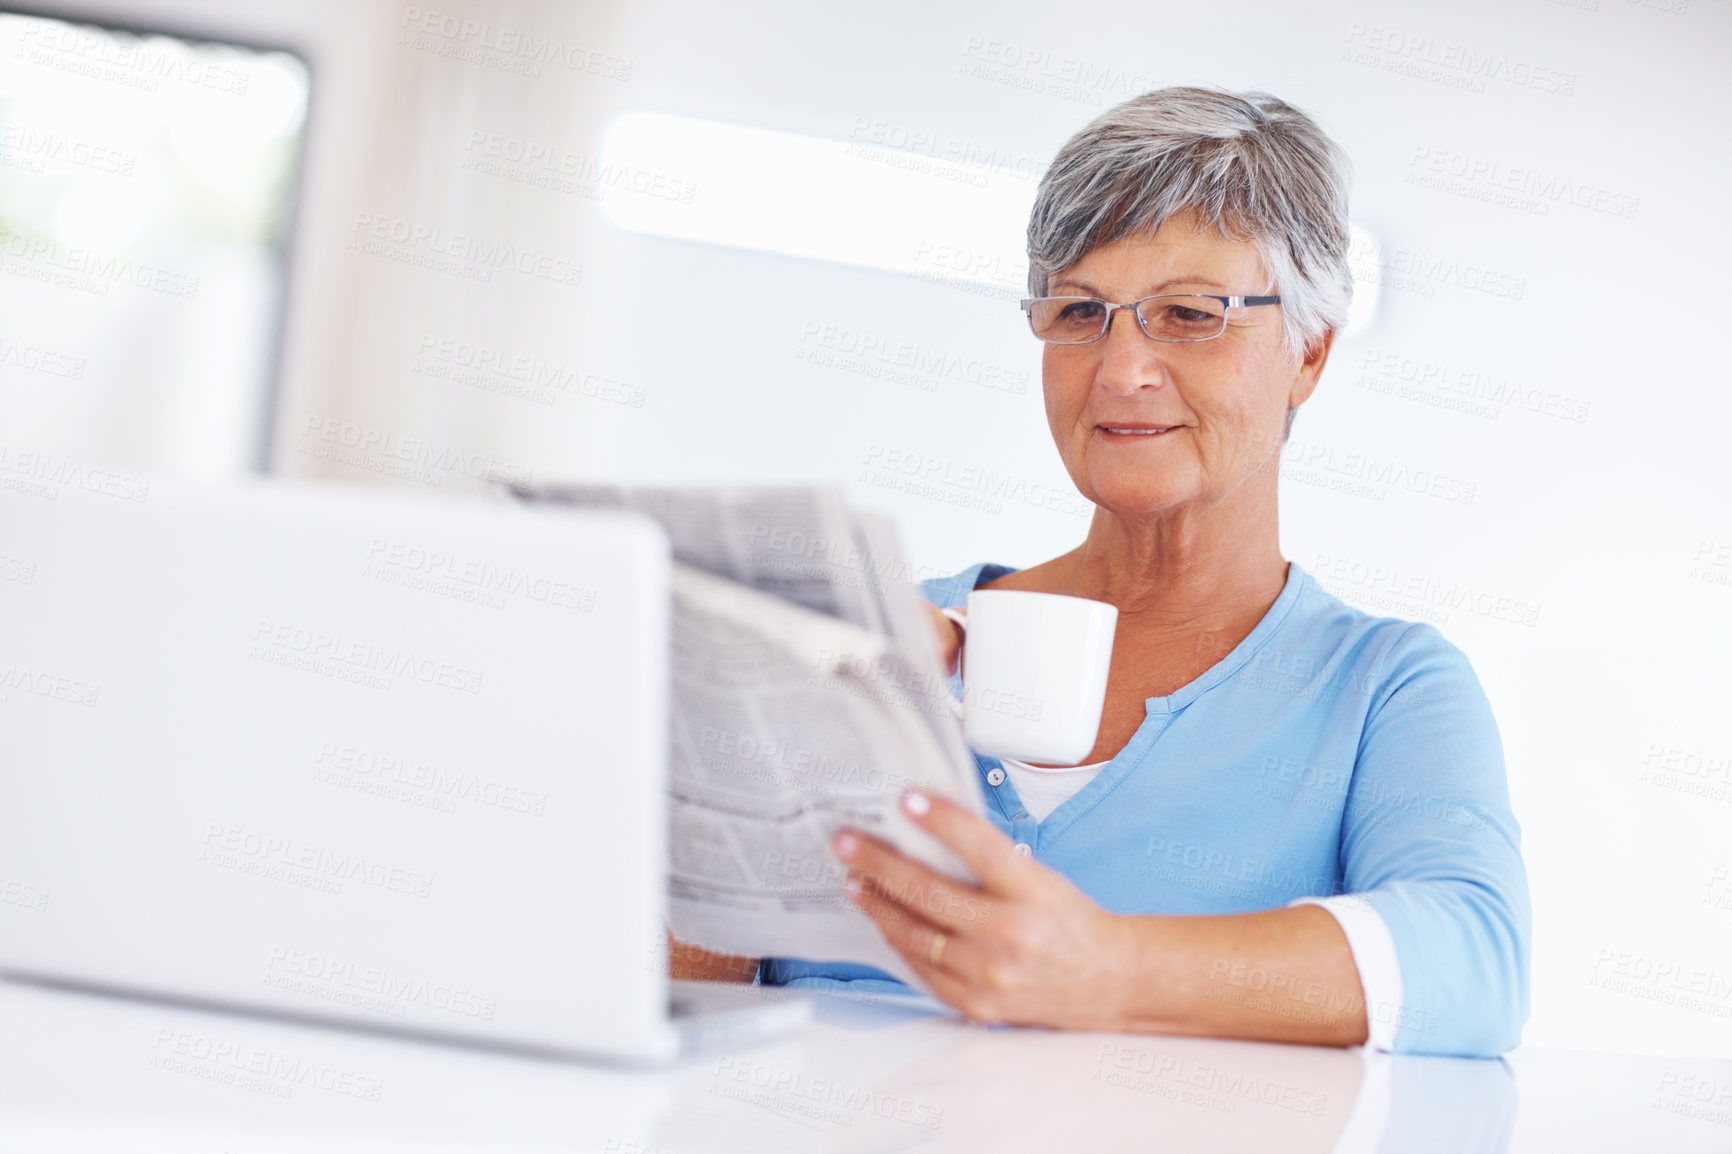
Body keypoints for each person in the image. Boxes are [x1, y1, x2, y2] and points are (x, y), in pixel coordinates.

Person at [681, 86, 1530, 1059]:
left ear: (1309, 351)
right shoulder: (880, 640)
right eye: (1080, 310)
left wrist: (1106, 967)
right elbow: (678, 1000)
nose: (1121, 366)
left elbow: (1475, 960)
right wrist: (735, 736)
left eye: (1189, 313)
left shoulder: (1382, 688)